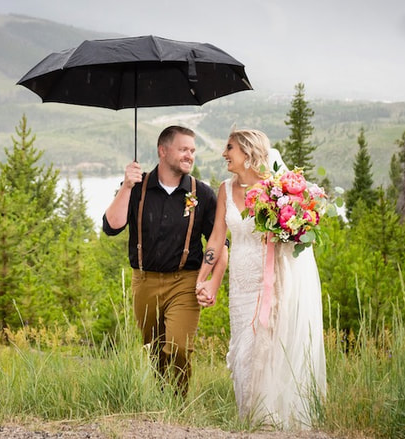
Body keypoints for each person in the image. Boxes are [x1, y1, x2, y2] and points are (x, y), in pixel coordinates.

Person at [195, 128, 326, 428]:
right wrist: (203, 278)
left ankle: (269, 423)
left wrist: (292, 227)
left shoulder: (276, 192)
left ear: (248, 152)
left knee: (264, 352)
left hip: (271, 283)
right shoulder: (225, 190)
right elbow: (217, 238)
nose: (224, 153)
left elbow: (293, 236)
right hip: (239, 285)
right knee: (241, 353)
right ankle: (249, 422)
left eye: (229, 148)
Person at [102, 125, 222, 396]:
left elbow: (217, 240)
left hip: (185, 280)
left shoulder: (201, 194)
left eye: (192, 150)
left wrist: (212, 278)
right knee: (154, 349)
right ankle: (161, 400)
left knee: (179, 346)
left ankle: (177, 403)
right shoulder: (138, 187)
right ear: (163, 151)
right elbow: (111, 226)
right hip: (144, 281)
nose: (189, 155)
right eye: (183, 149)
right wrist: (127, 186)